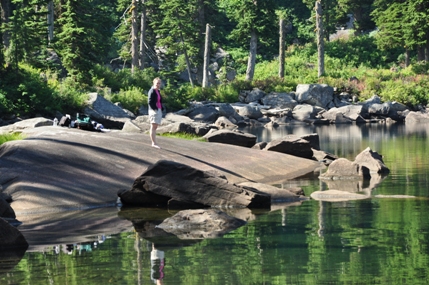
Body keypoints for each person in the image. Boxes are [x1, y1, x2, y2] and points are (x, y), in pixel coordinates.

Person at [148, 77, 164, 149]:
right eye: (157, 83)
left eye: (159, 83)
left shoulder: (158, 91)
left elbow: (159, 101)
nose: (158, 84)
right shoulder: (152, 91)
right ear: (154, 83)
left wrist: (161, 108)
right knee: (153, 127)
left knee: (155, 127)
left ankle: (154, 142)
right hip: (154, 111)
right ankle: (153, 143)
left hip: (158, 110)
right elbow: (150, 101)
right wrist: (154, 109)